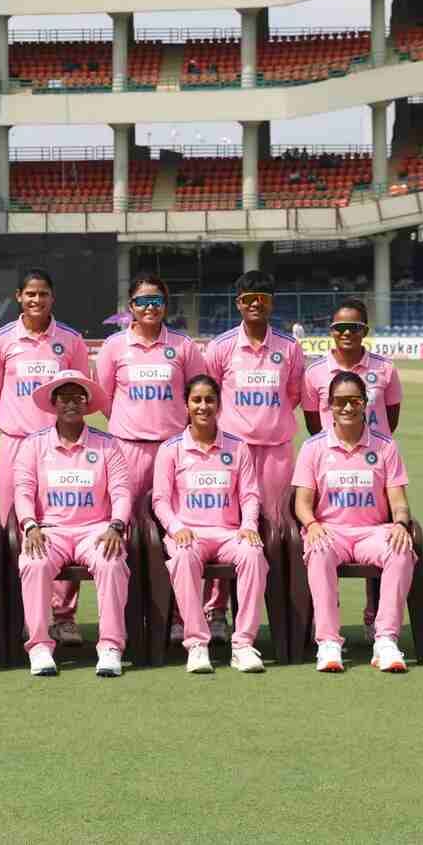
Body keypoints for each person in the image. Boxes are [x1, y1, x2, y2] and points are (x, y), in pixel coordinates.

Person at [95, 271, 209, 639]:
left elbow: (197, 394)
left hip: (174, 449)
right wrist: (132, 424)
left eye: (156, 301)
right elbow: (105, 398)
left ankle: (179, 617)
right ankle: (129, 618)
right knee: (123, 528)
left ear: (165, 305)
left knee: (177, 530)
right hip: (127, 447)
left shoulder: (183, 346)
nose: (150, 307)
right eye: (142, 301)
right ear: (131, 306)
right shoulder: (114, 346)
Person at [0, 267, 91, 646]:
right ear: (18, 297)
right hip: (15, 442)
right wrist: (21, 419)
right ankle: (23, 613)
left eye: (43, 293)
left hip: (59, 445)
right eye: (30, 293)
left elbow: (78, 389)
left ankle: (63, 615)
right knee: (16, 527)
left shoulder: (70, 340)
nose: (36, 300)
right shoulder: (2, 340)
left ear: (52, 297)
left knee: (64, 523)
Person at [293, 370, 417, 674]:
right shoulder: (313, 447)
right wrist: (312, 524)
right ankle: (328, 642)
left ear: (365, 403)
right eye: (340, 401)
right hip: (330, 531)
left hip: (371, 533)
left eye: (354, 400)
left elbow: (399, 502)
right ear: (329, 405)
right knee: (318, 549)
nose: (347, 407)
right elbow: (302, 504)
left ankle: (385, 640)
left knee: (401, 549)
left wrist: (401, 524)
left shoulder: (385, 446)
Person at [12, 369, 131, 678]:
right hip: (50, 530)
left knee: (111, 561)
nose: (71, 404)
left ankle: (110, 646)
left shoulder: (107, 444)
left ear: (87, 403)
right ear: (53, 403)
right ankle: (39, 646)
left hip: (96, 530)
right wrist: (30, 525)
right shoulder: (33, 445)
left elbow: (121, 491)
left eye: (77, 397)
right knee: (34, 562)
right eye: (64, 398)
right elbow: (23, 491)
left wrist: (116, 526)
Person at [152, 375, 267, 674]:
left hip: (229, 533)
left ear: (219, 404)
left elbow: (250, 495)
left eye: (209, 400)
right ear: (186, 405)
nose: (203, 406)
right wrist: (176, 528)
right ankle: (196, 645)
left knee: (254, 555)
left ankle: (243, 645)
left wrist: (249, 525)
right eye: (196, 400)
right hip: (188, 533)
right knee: (183, 556)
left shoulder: (238, 447)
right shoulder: (170, 449)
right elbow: (160, 500)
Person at [205, 270, 305, 535]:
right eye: (249, 298)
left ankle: (275, 565)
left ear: (272, 302)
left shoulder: (290, 347)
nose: (256, 304)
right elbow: (210, 394)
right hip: (232, 448)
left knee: (277, 521)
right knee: (229, 520)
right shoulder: (220, 346)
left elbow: (293, 394)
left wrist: (269, 420)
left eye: (263, 298)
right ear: (238, 303)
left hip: (276, 450)